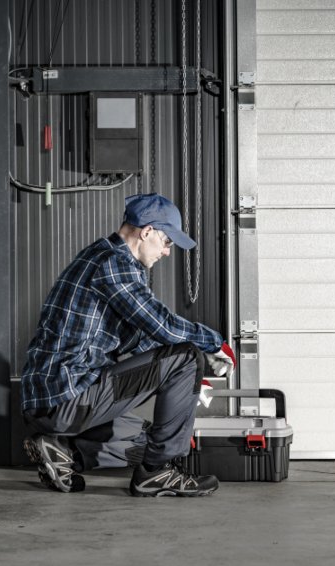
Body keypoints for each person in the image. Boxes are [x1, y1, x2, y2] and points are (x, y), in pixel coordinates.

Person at [20, 193, 235, 497]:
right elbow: (162, 325)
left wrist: (184, 386)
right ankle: (156, 474)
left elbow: (138, 337)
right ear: (147, 232)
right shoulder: (114, 263)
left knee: (146, 438)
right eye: (167, 242)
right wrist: (214, 344)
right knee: (187, 356)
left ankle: (65, 452)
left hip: (56, 399)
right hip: (67, 397)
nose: (167, 253)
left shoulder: (100, 256)